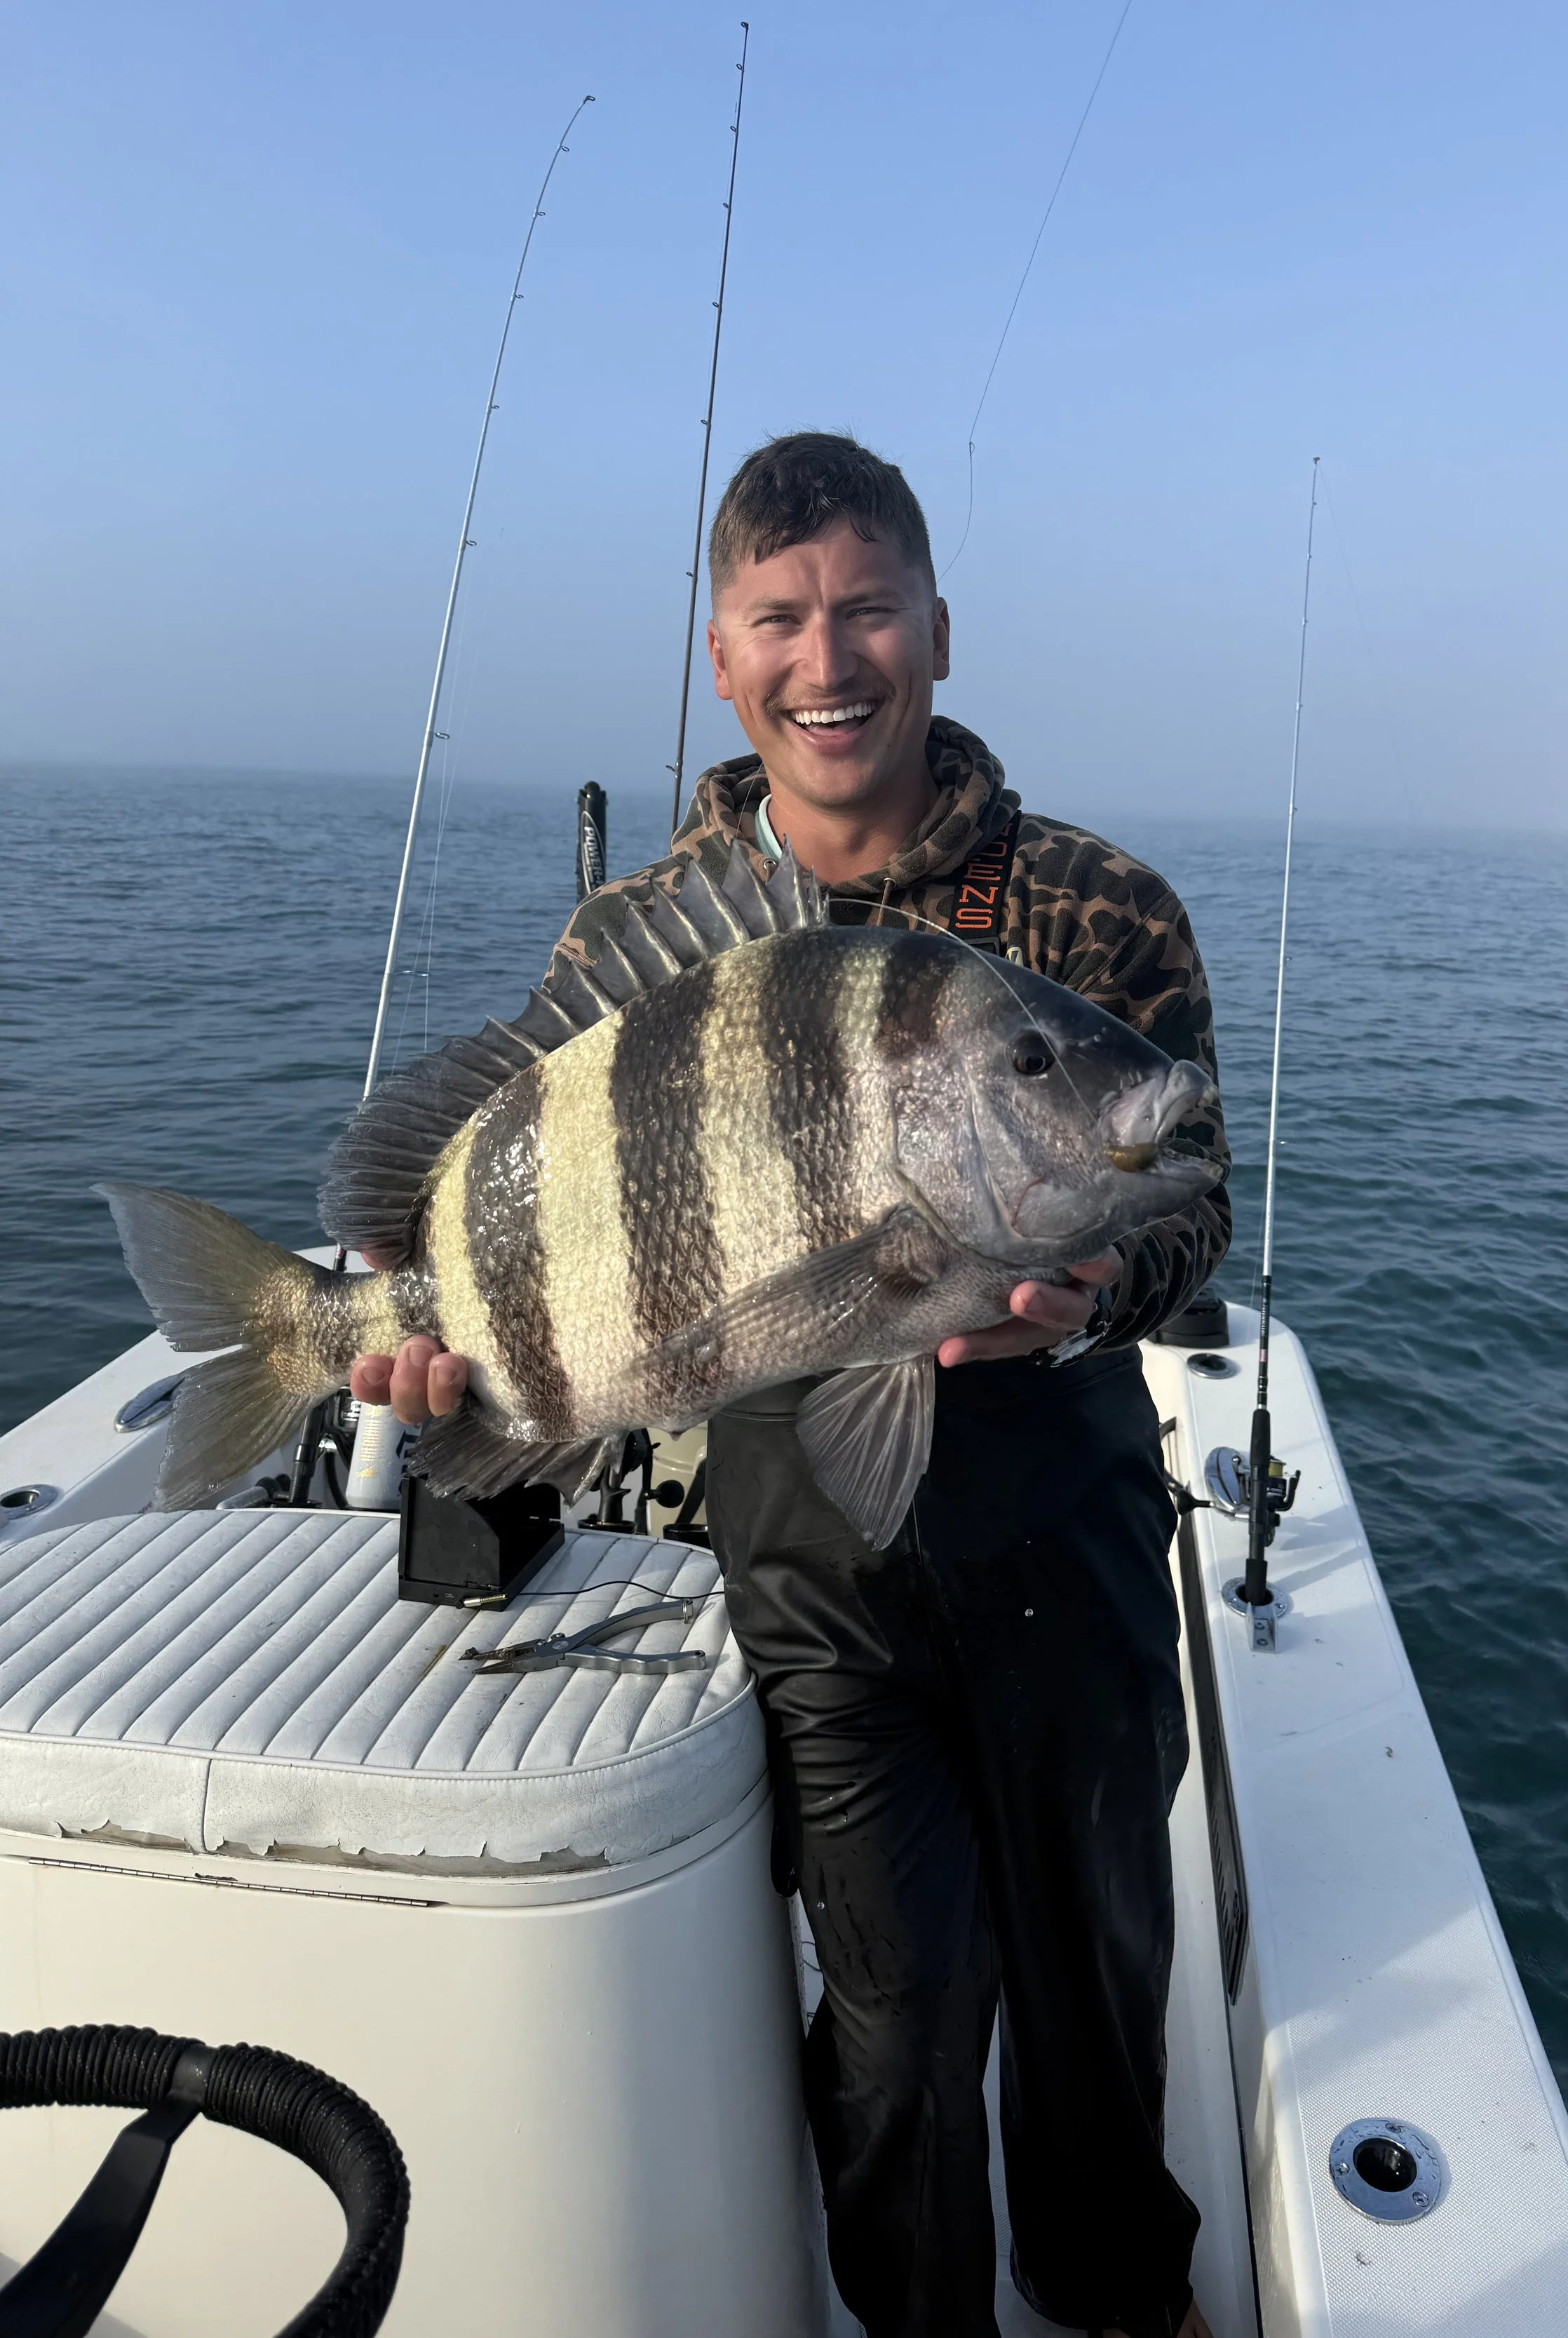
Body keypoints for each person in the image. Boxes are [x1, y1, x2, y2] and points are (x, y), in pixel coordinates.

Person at [354, 433, 1229, 2338]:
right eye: (779, 618)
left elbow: (1190, 1190)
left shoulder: (1095, 910)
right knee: (898, 2019)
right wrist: (426, 1347)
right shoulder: (627, 942)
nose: (826, 656)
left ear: (930, 627)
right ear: (723, 651)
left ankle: (1115, 2300)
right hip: (814, 1550)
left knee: (1096, 1969)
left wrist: (1086, 1295)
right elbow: (540, 1215)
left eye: (864, 609)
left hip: (1063, 1516)